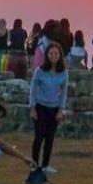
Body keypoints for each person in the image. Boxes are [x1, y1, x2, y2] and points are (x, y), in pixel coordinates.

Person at [30, 40, 68, 172]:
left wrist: (60, 110)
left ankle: (46, 165)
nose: (54, 55)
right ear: (47, 55)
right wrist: (32, 108)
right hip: (41, 107)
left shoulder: (63, 72)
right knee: (38, 137)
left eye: (56, 53)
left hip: (54, 109)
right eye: (51, 53)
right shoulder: (39, 71)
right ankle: (34, 164)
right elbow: (33, 90)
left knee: (49, 138)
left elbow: (64, 92)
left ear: (60, 55)